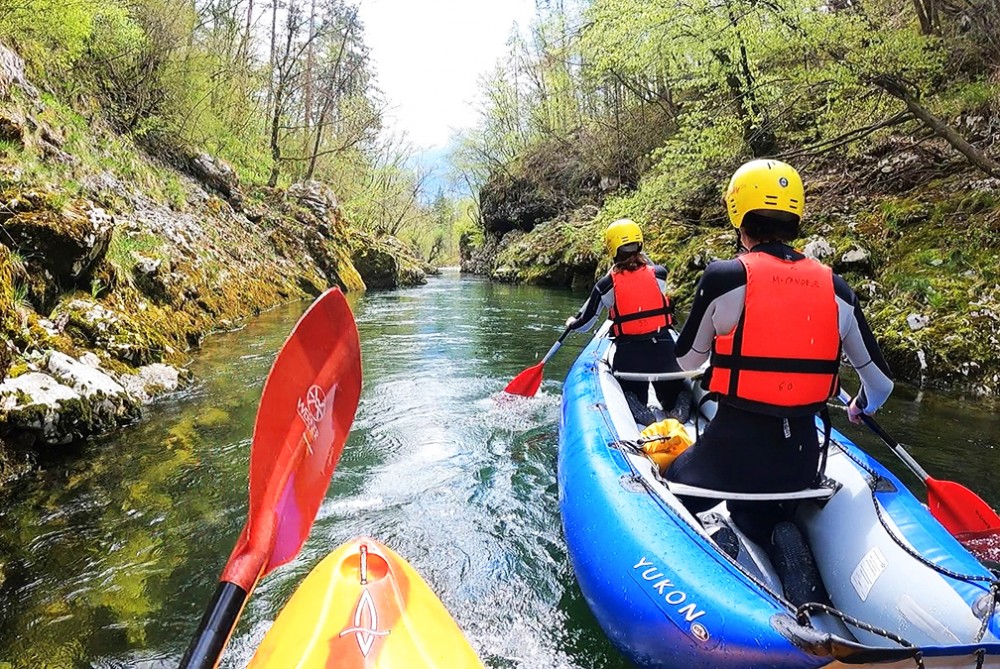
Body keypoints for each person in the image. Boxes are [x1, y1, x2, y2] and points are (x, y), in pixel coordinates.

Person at [668, 159, 894, 550]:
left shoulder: (725, 276)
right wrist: (861, 405)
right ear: (795, 216)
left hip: (728, 458)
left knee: (671, 486)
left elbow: (685, 361)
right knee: (762, 508)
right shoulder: (838, 289)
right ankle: (776, 533)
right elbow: (881, 385)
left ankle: (717, 540)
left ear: (739, 217)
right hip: (800, 464)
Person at [565, 218, 686, 420]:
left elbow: (585, 325)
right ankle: (677, 407)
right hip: (664, 352)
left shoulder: (605, 285)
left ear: (612, 248)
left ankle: (637, 408)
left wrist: (572, 323)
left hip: (631, 358)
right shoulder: (660, 273)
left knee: (633, 393)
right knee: (673, 393)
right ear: (641, 244)